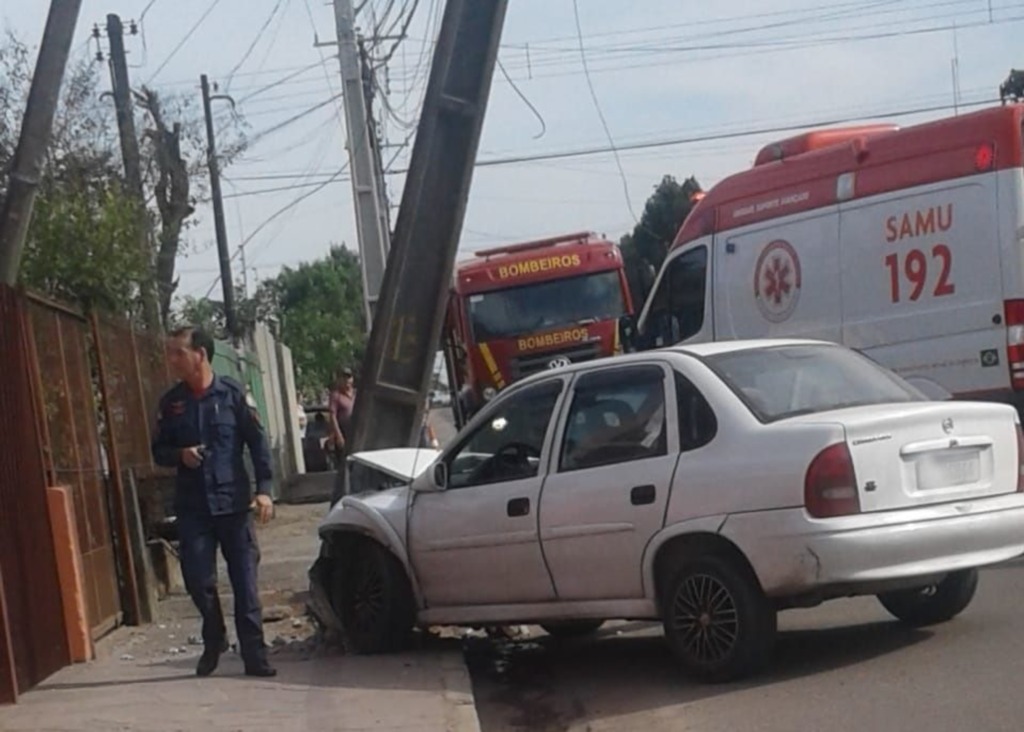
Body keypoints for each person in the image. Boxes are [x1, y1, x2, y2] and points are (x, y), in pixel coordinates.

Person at [151, 326, 276, 679]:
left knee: (245, 584)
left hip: (234, 506)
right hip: (194, 509)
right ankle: (214, 635)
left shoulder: (233, 395)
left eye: (179, 352)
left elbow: (258, 444)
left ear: (200, 355)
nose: (172, 359)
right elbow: (158, 451)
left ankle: (255, 656)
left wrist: (264, 489)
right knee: (196, 579)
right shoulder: (172, 404)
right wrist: (180, 454)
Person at [329, 367, 357, 503]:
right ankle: (342, 497)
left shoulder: (356, 394)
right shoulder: (336, 395)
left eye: (349, 377)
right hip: (343, 433)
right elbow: (332, 416)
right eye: (344, 377)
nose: (347, 380)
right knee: (344, 466)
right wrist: (338, 435)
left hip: (356, 433)